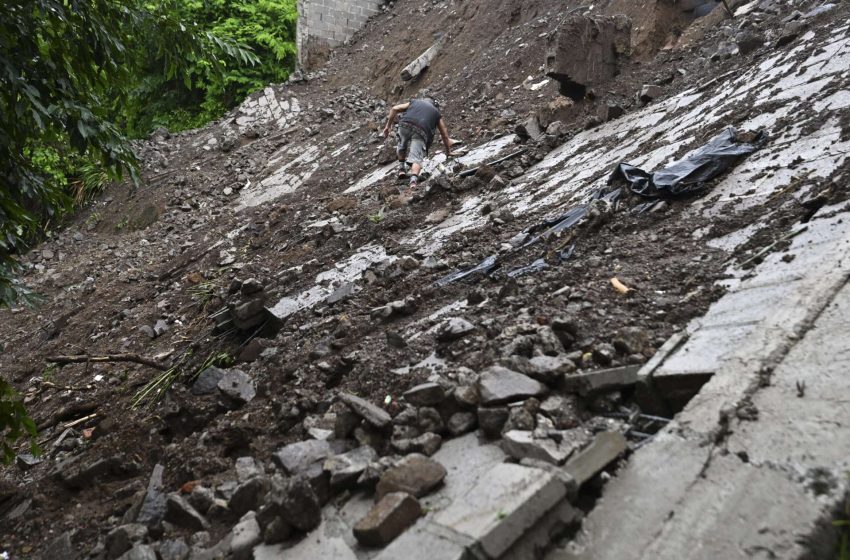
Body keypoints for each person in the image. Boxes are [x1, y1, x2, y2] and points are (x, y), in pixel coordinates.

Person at [382, 96, 456, 189]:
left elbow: (394, 108)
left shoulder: (415, 102)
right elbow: (444, 134)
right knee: (416, 158)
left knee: (401, 145)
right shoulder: (436, 113)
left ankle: (401, 169)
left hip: (404, 125)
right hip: (421, 131)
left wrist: (388, 126)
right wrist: (448, 151)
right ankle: (413, 181)